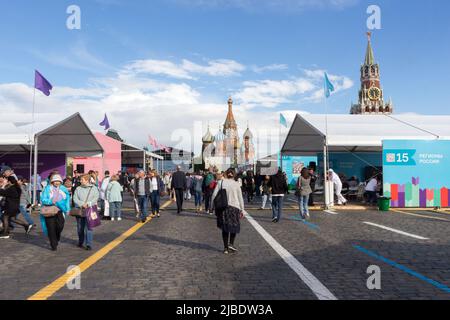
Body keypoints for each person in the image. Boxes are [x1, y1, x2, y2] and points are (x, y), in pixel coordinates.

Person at [212, 168, 245, 255]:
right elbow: (240, 198)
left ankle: (225, 248)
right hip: (234, 208)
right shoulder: (237, 184)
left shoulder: (221, 182)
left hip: (223, 208)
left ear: (226, 174)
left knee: (225, 228)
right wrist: (242, 209)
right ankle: (231, 244)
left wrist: (211, 206)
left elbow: (214, 195)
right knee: (234, 226)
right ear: (234, 175)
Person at [40, 174, 71, 251]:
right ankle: (53, 244)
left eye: (58, 181)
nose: (57, 182)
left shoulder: (63, 189)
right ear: (52, 181)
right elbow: (43, 199)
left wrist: (68, 209)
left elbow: (67, 200)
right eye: (55, 181)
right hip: (49, 210)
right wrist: (51, 201)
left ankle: (57, 237)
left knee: (60, 226)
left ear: (60, 182)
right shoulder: (47, 188)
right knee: (50, 228)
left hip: (60, 210)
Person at [73, 174, 100, 250]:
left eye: (82, 179)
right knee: (80, 227)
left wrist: (88, 204)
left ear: (87, 180)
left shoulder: (93, 188)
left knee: (89, 227)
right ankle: (80, 241)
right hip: (80, 210)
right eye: (80, 179)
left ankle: (89, 244)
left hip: (90, 209)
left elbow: (96, 197)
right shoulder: (78, 188)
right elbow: (75, 198)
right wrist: (82, 204)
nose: (80, 181)